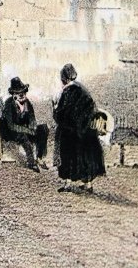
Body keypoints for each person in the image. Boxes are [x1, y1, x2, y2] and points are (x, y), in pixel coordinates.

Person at [53, 64, 106, 194]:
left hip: (70, 132)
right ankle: (88, 185)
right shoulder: (84, 90)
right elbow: (92, 110)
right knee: (85, 157)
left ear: (63, 79)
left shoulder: (67, 92)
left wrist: (55, 108)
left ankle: (67, 184)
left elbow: (61, 114)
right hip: (86, 132)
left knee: (67, 156)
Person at [0, 77, 49, 172]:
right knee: (23, 136)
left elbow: (32, 118)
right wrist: (27, 130)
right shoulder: (9, 104)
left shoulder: (27, 103)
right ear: (13, 94)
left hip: (24, 129)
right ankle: (31, 163)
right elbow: (11, 126)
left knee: (43, 128)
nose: (21, 94)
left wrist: (33, 126)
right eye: (18, 93)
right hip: (10, 132)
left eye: (23, 91)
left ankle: (40, 158)